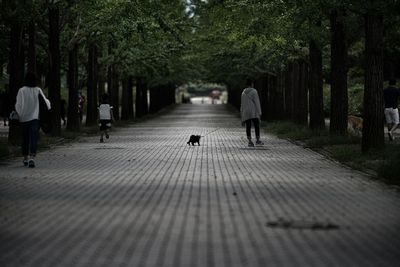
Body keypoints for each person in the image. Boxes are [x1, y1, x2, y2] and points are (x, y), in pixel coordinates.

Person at [15, 72, 51, 167]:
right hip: (35, 118)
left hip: (24, 118)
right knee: (33, 138)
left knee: (25, 138)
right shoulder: (38, 90)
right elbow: (46, 102)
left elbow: (18, 105)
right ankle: (32, 157)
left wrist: (19, 115)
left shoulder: (21, 91)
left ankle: (25, 158)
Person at [240, 78, 263, 147]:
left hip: (246, 112)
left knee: (248, 126)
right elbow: (257, 102)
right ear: (252, 84)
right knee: (256, 125)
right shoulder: (254, 91)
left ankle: (250, 141)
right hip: (253, 111)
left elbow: (242, 104)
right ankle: (258, 140)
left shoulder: (243, 92)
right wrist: (259, 112)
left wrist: (242, 113)